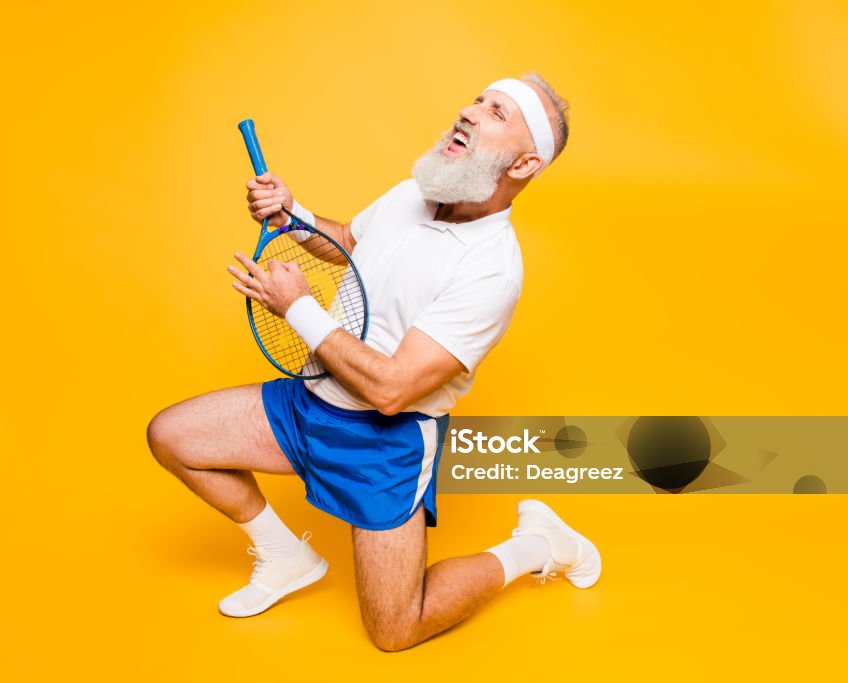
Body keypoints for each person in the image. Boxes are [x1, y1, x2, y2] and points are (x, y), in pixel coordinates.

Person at [147, 73, 601, 651]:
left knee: (396, 629)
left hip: (385, 443)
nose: (469, 109)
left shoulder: (493, 270)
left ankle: (538, 545)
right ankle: (285, 556)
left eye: (496, 113)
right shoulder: (416, 192)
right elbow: (355, 246)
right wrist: (293, 216)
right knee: (173, 436)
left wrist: (299, 309)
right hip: (311, 400)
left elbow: (392, 391)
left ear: (522, 165)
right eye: (478, 99)